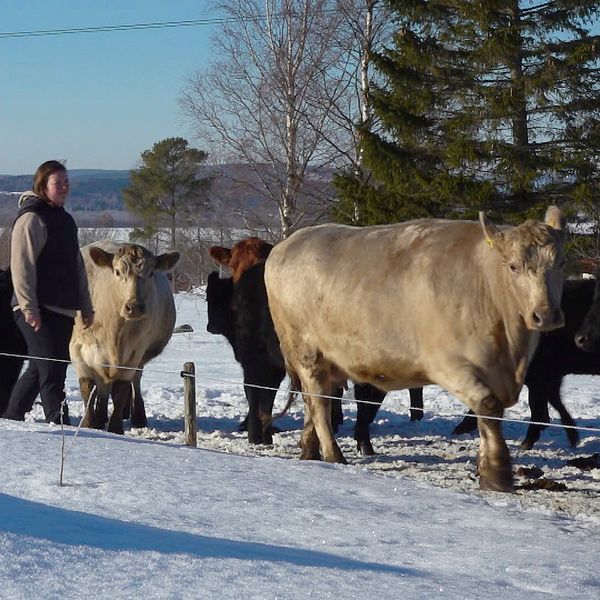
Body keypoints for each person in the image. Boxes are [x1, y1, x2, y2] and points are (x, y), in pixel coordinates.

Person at [1, 160, 94, 425]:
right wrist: (29, 307)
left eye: (66, 182)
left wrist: (85, 306)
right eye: (58, 183)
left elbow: (77, 267)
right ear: (43, 185)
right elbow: (22, 266)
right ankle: (60, 425)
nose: (64, 187)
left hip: (61, 308)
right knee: (53, 368)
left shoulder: (65, 220)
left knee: (39, 368)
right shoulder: (32, 218)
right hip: (36, 308)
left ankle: (10, 420)